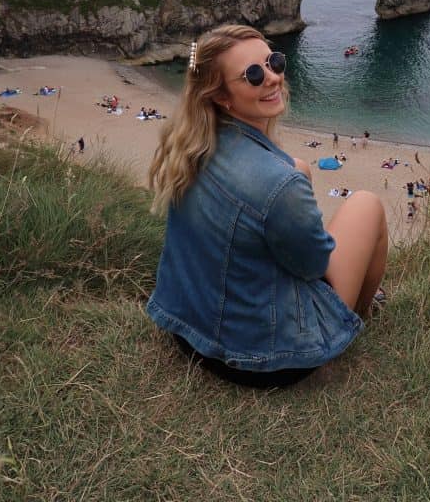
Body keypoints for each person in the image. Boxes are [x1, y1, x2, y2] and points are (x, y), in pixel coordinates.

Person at [147, 24, 387, 389]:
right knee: (366, 205)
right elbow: (312, 267)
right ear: (222, 97)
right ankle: (357, 314)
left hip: (190, 332)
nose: (272, 78)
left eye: (273, 62)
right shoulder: (279, 183)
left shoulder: (192, 149)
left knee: (300, 167)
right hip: (261, 359)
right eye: (253, 75)